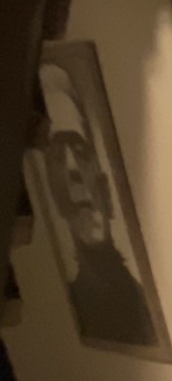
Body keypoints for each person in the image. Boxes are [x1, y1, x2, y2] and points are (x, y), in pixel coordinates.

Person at [46, 128, 157, 348]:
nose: (81, 192)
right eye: (68, 182)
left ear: (105, 191)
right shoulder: (72, 304)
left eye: (82, 174)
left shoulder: (146, 301)